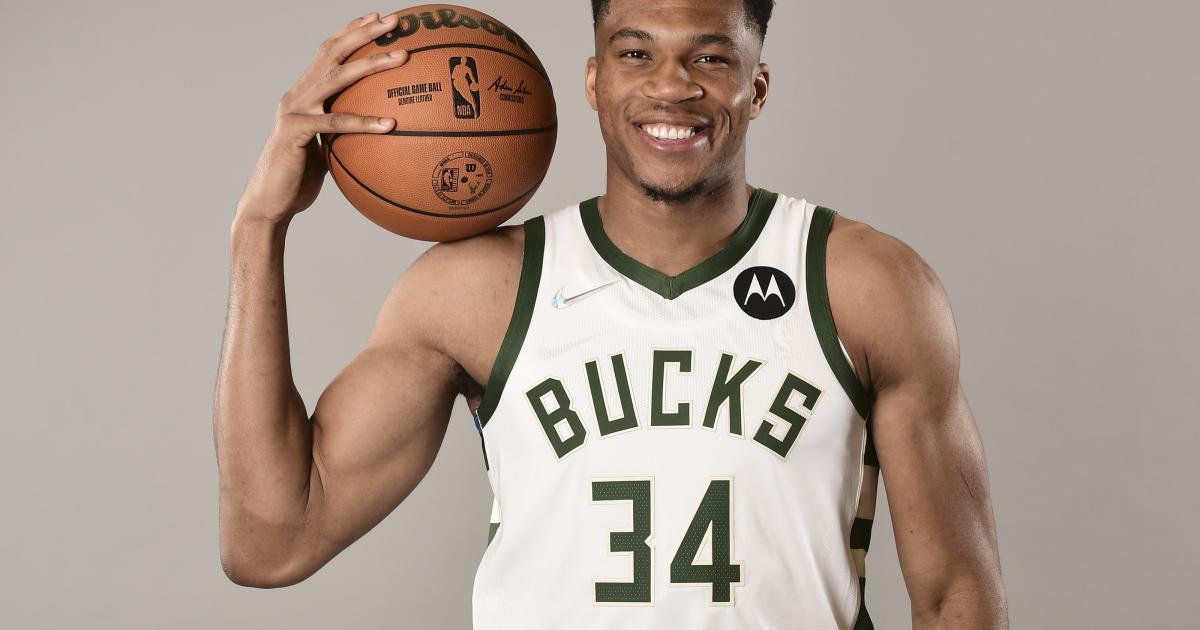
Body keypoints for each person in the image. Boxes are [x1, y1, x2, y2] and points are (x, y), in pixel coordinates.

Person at [214, 1, 1008, 627]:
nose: (672, 86)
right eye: (636, 54)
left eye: (710, 57)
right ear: (594, 82)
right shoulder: (479, 291)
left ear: (757, 87)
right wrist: (259, 227)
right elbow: (271, 541)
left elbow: (956, 597)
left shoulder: (865, 285)